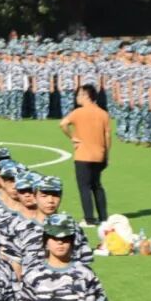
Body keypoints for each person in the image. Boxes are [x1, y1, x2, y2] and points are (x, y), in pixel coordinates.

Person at [59, 84, 111, 226]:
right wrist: (106, 154)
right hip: (99, 155)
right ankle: (103, 217)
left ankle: (89, 218)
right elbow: (107, 136)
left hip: (83, 155)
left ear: (86, 96)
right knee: (97, 186)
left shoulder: (78, 113)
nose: (77, 97)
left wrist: (72, 137)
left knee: (84, 187)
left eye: (79, 94)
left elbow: (63, 124)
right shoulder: (103, 114)